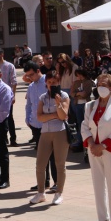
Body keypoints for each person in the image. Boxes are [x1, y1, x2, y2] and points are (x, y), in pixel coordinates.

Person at [82, 73, 111, 221]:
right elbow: (85, 126)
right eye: (99, 84)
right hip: (93, 149)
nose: (101, 87)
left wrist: (103, 146)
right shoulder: (90, 105)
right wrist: (92, 144)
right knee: (98, 183)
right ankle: (103, 219)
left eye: (105, 85)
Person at [30, 69, 70, 205]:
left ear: (58, 82)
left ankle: (59, 192)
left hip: (60, 132)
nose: (51, 85)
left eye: (54, 82)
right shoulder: (43, 97)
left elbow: (63, 116)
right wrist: (54, 115)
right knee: (40, 164)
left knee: (60, 164)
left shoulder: (64, 96)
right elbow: (39, 117)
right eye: (49, 82)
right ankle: (41, 192)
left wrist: (58, 103)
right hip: (45, 133)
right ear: (46, 83)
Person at [0, 48, 20, 146]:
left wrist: (13, 95)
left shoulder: (9, 66)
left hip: (7, 96)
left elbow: (14, 82)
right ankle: (3, 138)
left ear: (2, 54)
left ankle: (13, 139)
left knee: (9, 118)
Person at [22, 61, 45, 147]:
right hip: (35, 125)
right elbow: (28, 105)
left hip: (47, 125)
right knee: (41, 155)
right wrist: (28, 120)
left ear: (38, 71)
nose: (30, 78)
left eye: (31, 75)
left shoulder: (48, 83)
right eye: (28, 75)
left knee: (51, 154)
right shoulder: (31, 87)